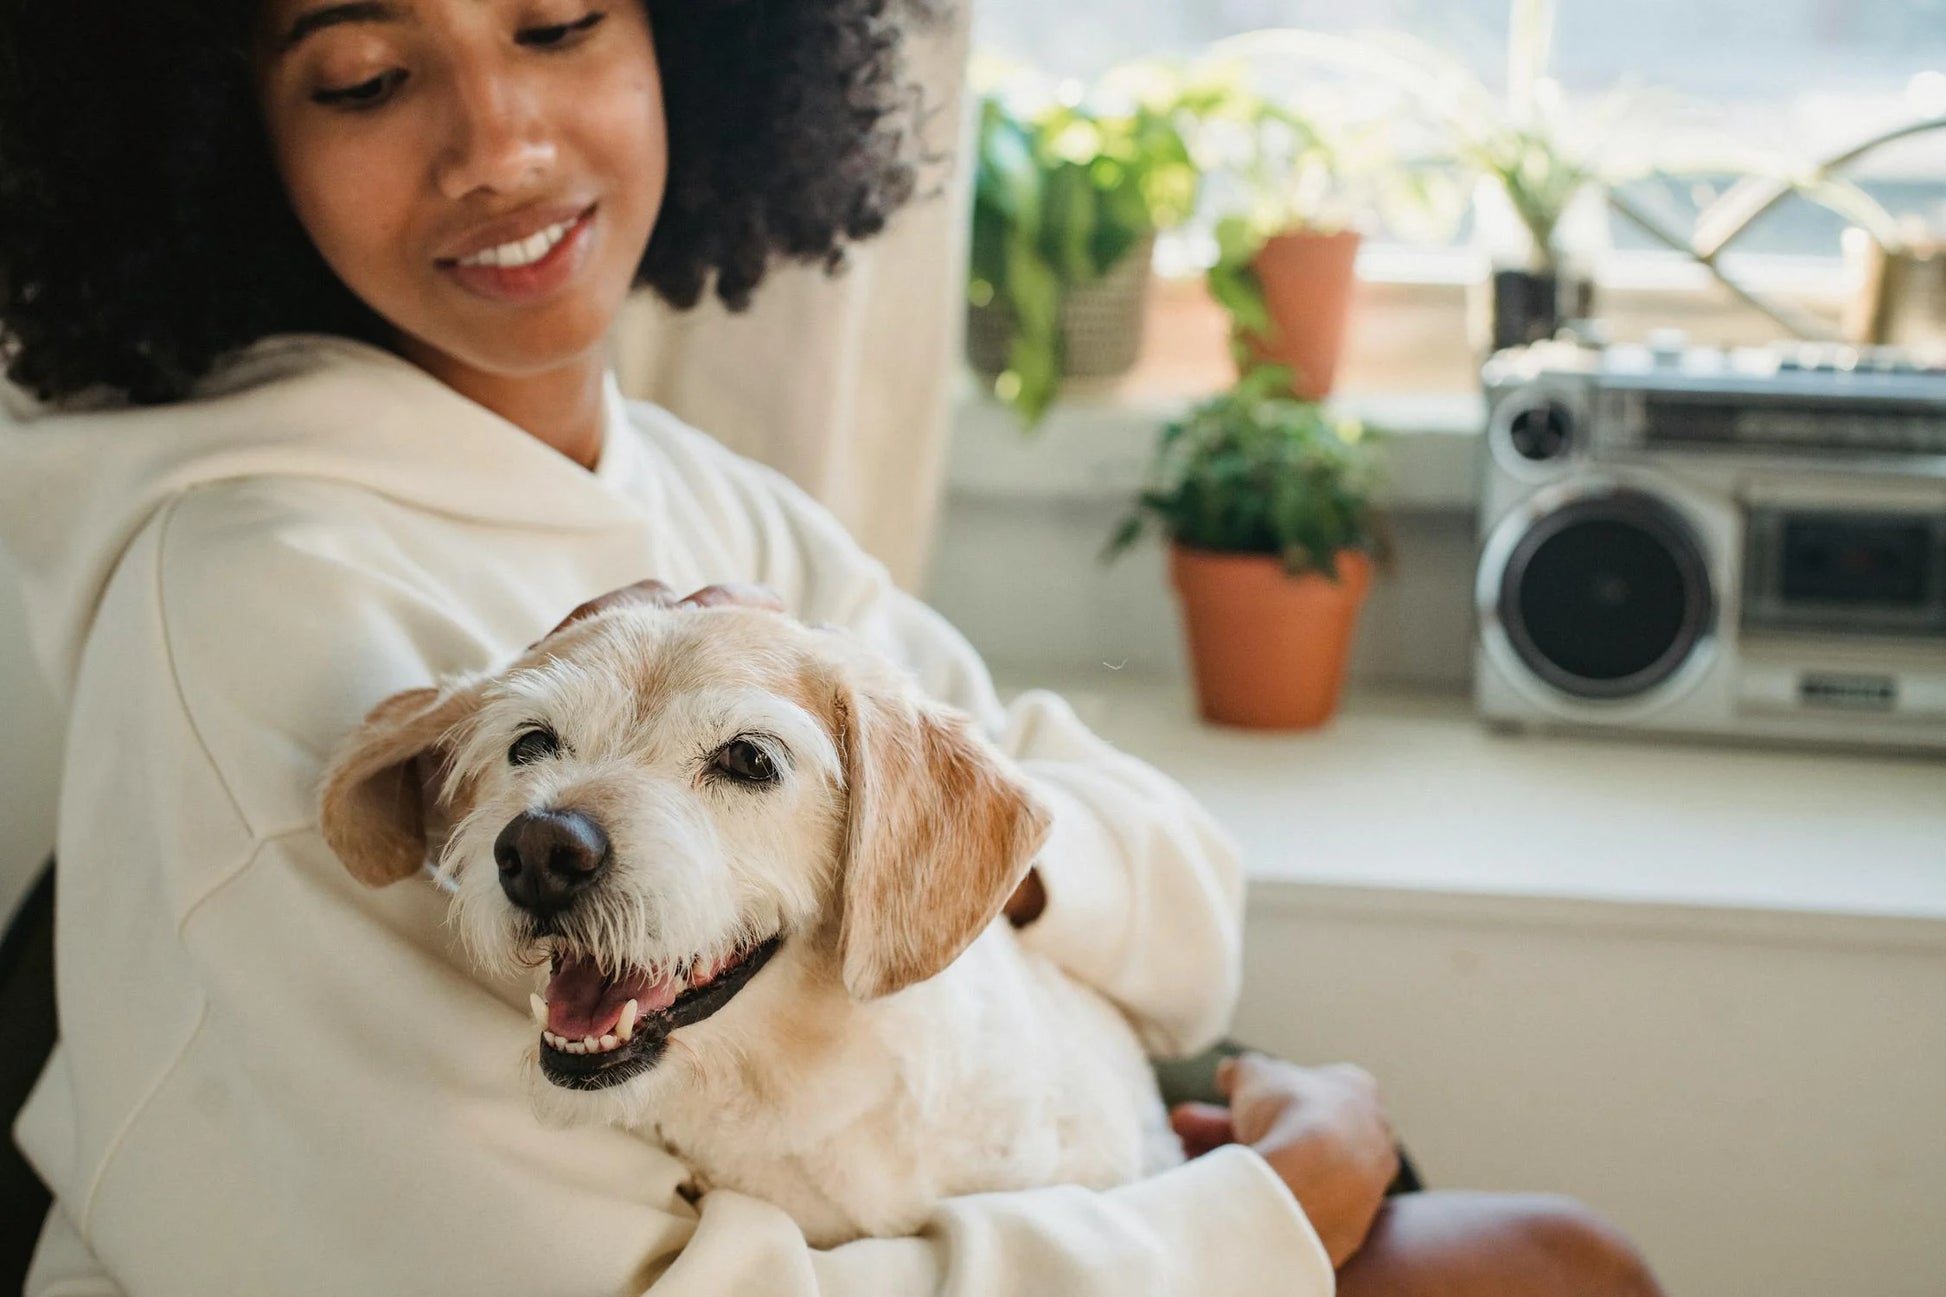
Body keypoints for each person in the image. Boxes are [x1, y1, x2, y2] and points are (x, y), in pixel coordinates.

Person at [0, 1, 1662, 1293]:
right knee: (1561, 1270)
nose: (497, 142)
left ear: (692, 50)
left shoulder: (721, 513)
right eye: (364, 74)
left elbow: (1171, 898)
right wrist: (1250, 1224)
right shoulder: (250, 604)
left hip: (1004, 1192)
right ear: (228, 135)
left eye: (563, 25)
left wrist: (923, 841)